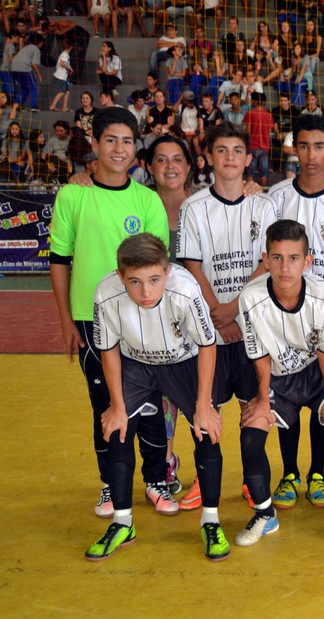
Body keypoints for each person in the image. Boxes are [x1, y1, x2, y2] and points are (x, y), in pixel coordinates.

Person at [48, 107, 171, 519]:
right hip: (91, 320)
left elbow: (158, 267)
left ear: (136, 147)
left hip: (145, 319)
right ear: (96, 144)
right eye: (111, 140)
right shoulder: (73, 195)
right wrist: (67, 320)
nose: (119, 149)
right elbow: (60, 259)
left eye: (126, 141)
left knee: (150, 404)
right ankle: (109, 485)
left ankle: (156, 480)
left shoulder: (147, 200)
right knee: (105, 404)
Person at [86, 233, 222, 561]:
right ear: (120, 276)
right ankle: (122, 522)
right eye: (134, 281)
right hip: (137, 364)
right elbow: (109, 352)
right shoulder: (106, 294)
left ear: (167, 271)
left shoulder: (186, 291)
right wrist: (118, 407)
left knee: (207, 430)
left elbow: (207, 346)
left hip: (184, 363)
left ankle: (211, 521)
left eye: (154, 280)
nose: (145, 292)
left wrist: (203, 405)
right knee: (117, 429)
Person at [238, 219, 324, 546]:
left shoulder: (322, 295)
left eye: (293, 258)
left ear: (307, 261)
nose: (284, 267)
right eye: (276, 257)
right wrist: (262, 399)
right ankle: (265, 515)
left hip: (319, 375)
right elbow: (259, 354)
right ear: (265, 260)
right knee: (250, 436)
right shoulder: (250, 298)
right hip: (276, 377)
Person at [263, 113, 324, 511]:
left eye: (319, 146)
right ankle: (289, 472)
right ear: (294, 149)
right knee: (286, 393)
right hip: (281, 319)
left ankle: (318, 472)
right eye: (303, 146)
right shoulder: (276, 197)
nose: (311, 155)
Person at [175, 121, 272, 511]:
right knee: (207, 407)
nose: (229, 157)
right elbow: (191, 265)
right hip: (209, 328)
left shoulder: (264, 205)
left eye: (237, 151)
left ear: (248, 158)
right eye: (221, 151)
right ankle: (205, 478)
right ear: (208, 158)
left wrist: (233, 311)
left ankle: (253, 481)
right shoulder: (193, 207)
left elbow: (269, 261)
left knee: (254, 407)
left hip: (250, 326)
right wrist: (218, 316)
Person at [242, 91, 274, 187]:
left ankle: (248, 192)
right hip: (265, 147)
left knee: (250, 172)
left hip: (253, 146)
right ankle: (264, 192)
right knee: (264, 172)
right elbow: (271, 129)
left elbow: (247, 130)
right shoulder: (268, 115)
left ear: (254, 101)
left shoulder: (250, 113)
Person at [10, 32, 42, 111]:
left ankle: (17, 105)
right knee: (34, 87)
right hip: (24, 69)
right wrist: (39, 75)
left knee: (24, 88)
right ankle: (33, 106)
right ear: (40, 42)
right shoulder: (36, 49)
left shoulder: (25, 47)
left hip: (13, 68)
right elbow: (34, 65)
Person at [49, 37, 72, 112]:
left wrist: (69, 68)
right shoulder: (65, 54)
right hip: (60, 77)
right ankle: (52, 106)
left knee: (67, 91)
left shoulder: (64, 54)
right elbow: (62, 63)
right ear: (71, 47)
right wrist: (69, 68)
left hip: (63, 77)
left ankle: (64, 107)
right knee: (62, 92)